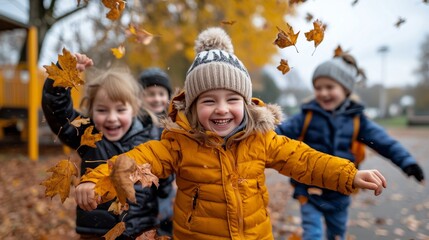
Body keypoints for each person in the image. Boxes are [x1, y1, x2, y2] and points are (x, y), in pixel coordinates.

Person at [74, 27, 387, 240]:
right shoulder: (179, 144)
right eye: (209, 101)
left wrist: (348, 174)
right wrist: (97, 179)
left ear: (247, 103)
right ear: (193, 107)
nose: (222, 109)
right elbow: (138, 158)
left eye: (232, 100)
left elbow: (303, 160)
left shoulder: (260, 139)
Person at [275, 53, 425, 240]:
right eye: (318, 88)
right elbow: (277, 133)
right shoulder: (306, 116)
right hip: (310, 190)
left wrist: (407, 162)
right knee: (312, 234)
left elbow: (385, 142)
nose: (323, 93)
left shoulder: (357, 120)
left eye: (329, 87)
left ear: (345, 89)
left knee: (337, 234)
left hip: (341, 191)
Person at [42, 55, 169, 239]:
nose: (111, 118)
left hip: (142, 229)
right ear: (91, 110)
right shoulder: (88, 135)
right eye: (102, 110)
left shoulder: (151, 137)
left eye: (120, 110)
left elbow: (164, 184)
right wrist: (64, 74)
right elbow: (58, 113)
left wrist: (166, 224)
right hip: (96, 231)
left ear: (134, 109)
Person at [139, 68, 176, 236]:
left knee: (165, 222)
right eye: (151, 94)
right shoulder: (136, 122)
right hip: (142, 182)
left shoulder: (171, 124)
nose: (157, 99)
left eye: (161, 94)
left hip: (166, 184)